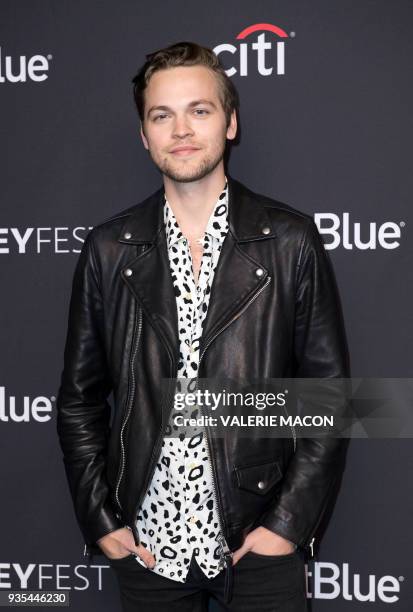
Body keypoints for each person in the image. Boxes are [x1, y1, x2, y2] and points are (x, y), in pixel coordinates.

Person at [56, 41, 350, 612]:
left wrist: (286, 525)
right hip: (148, 550)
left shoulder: (289, 241)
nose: (181, 129)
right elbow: (79, 400)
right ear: (144, 134)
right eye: (161, 115)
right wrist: (101, 519)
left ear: (231, 122)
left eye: (200, 110)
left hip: (258, 541)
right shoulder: (110, 250)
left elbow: (330, 399)